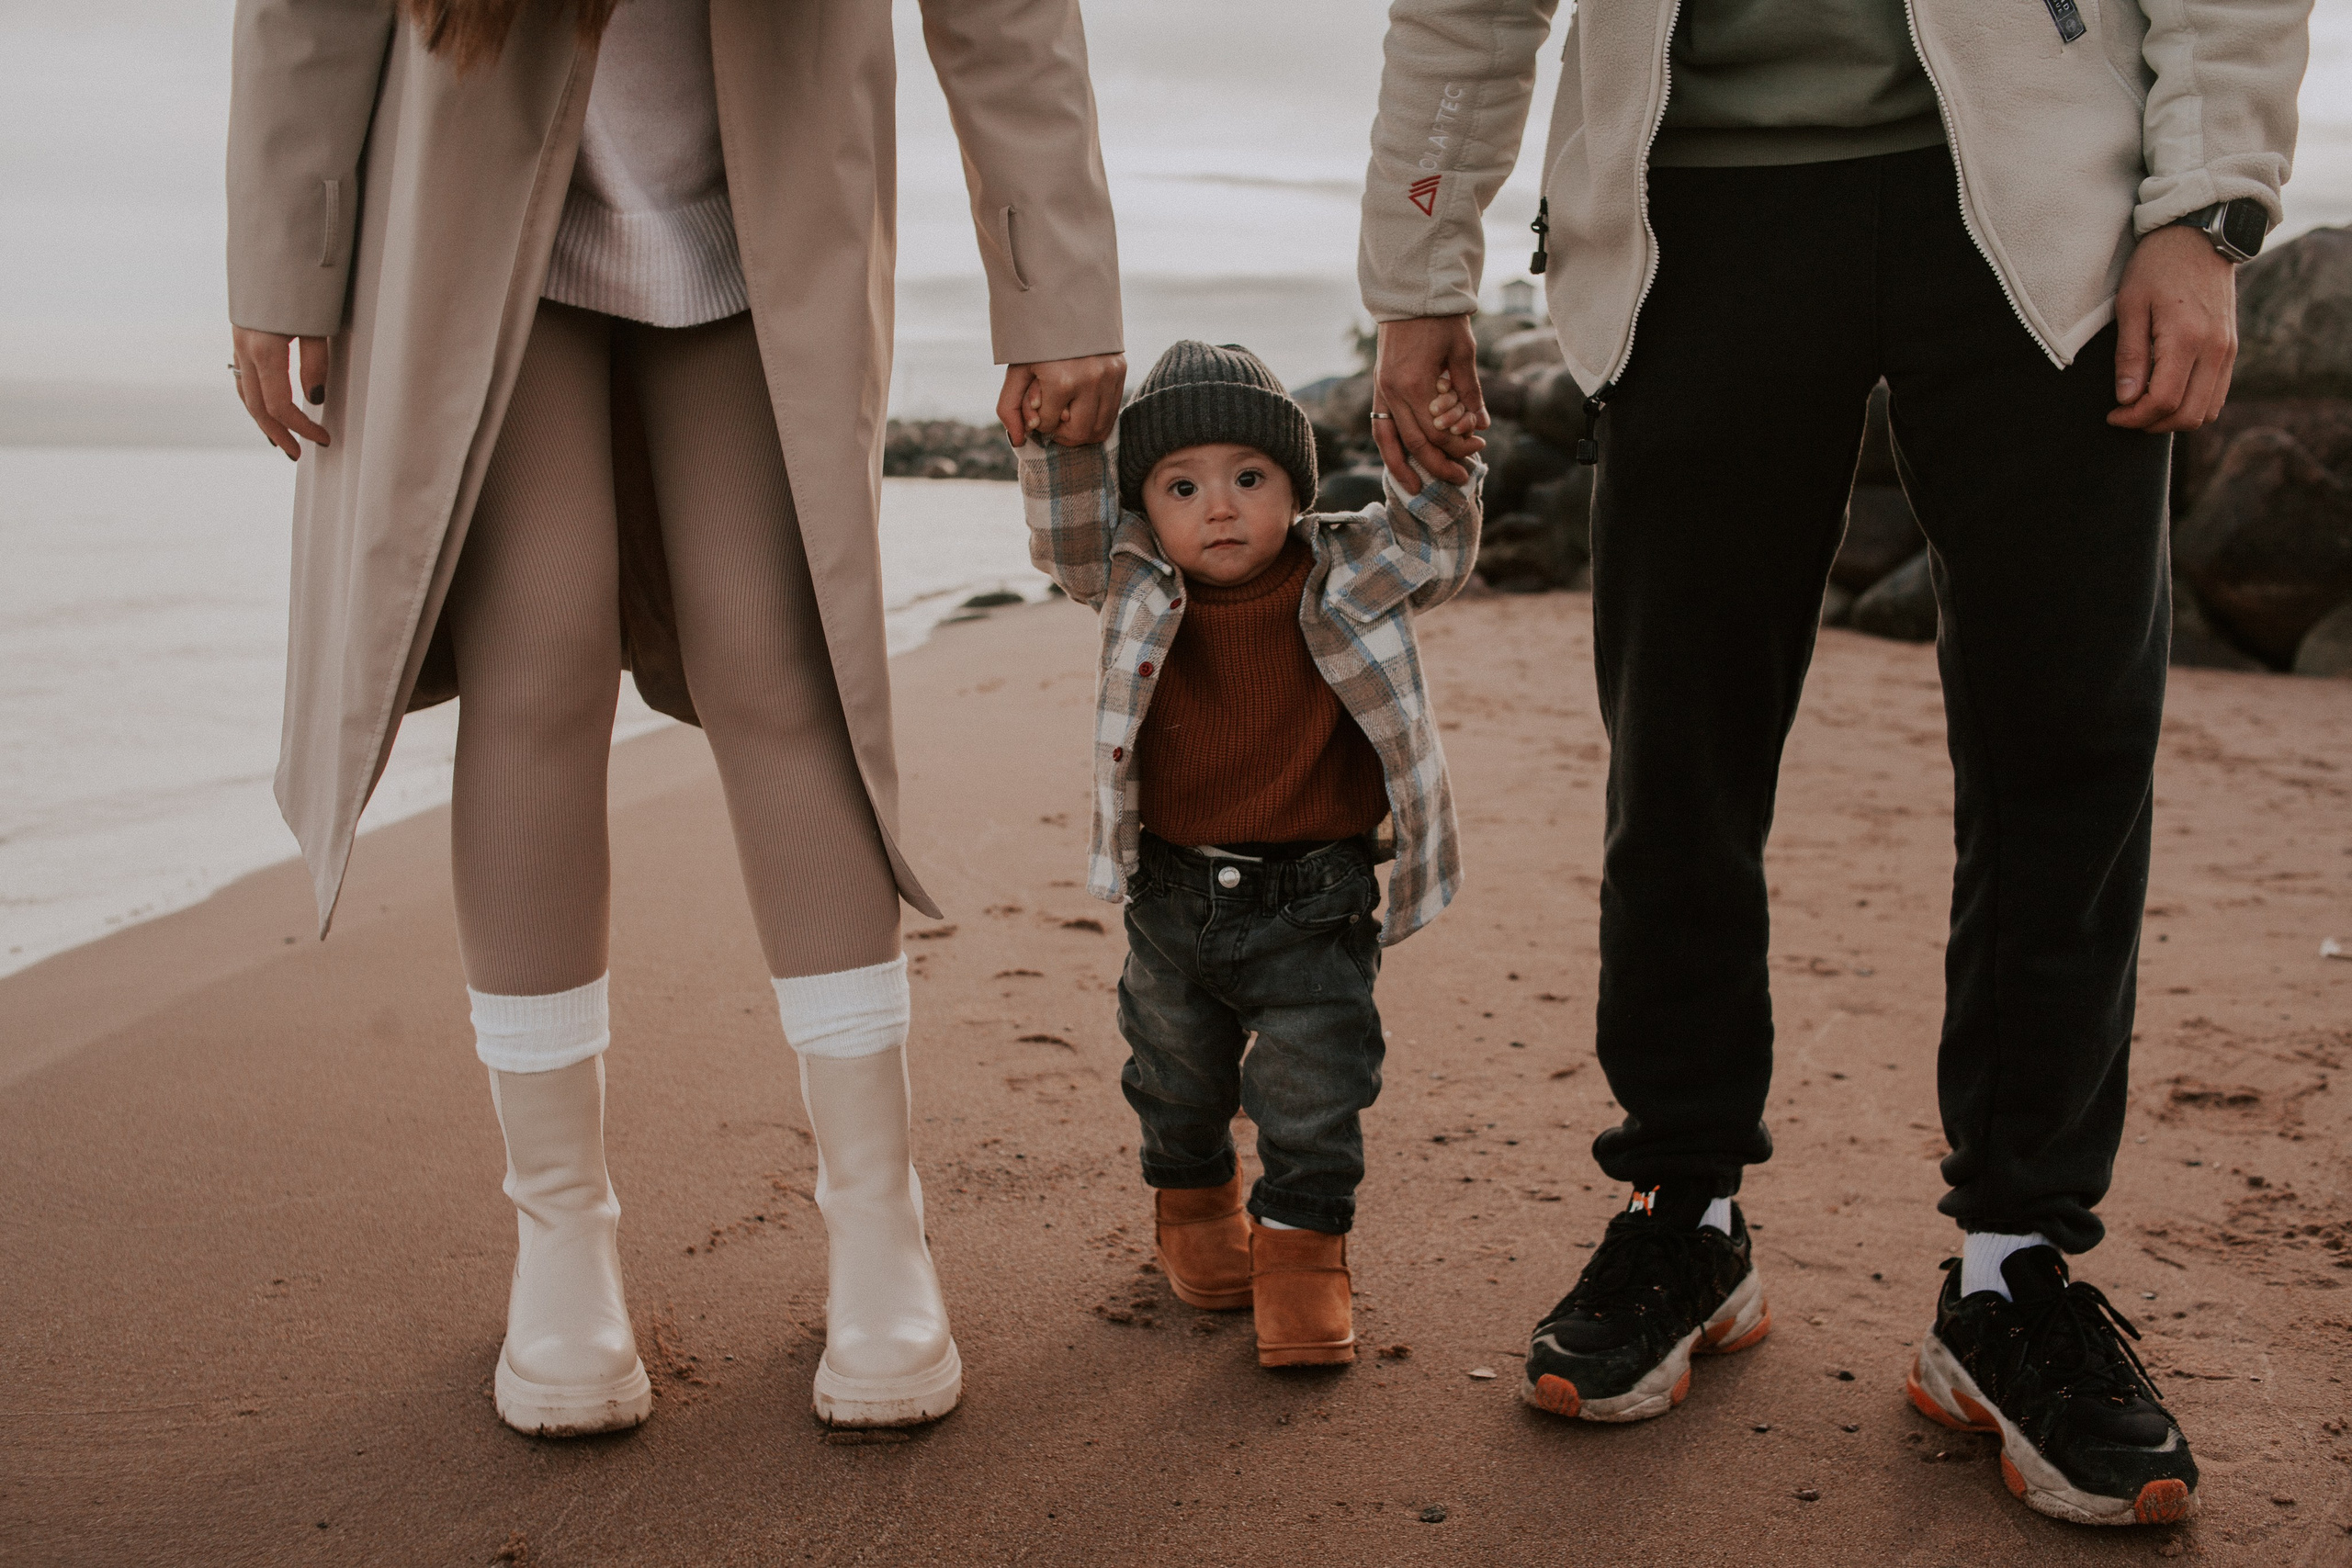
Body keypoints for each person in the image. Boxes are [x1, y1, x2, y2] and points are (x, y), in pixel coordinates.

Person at [1357, 0, 2310, 1527]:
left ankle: (2012, 1271)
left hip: (2040, 186)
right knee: (1679, 747)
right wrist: (1419, 272)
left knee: (2066, 749)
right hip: (1693, 204)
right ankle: (1683, 1205)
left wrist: (2205, 210)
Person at [223, 0, 1125, 1436]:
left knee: (779, 656)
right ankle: (560, 1232)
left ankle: (877, 1216)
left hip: (762, 212)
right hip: (470, 207)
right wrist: (287, 252)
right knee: (536, 653)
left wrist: (1056, 280)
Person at [1017, 342, 1482, 1368]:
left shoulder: (1348, 569)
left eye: (1250, 478)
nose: (1219, 508)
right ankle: (1192, 1206)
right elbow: (1065, 532)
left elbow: (1436, 543)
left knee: (1317, 1090)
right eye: (1181, 487)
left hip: (1317, 896)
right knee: (1174, 1075)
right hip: (1172, 891)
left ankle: (1303, 1251)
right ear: (1146, 507)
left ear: (1295, 489)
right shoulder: (1127, 575)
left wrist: (1438, 454)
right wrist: (1057, 442)